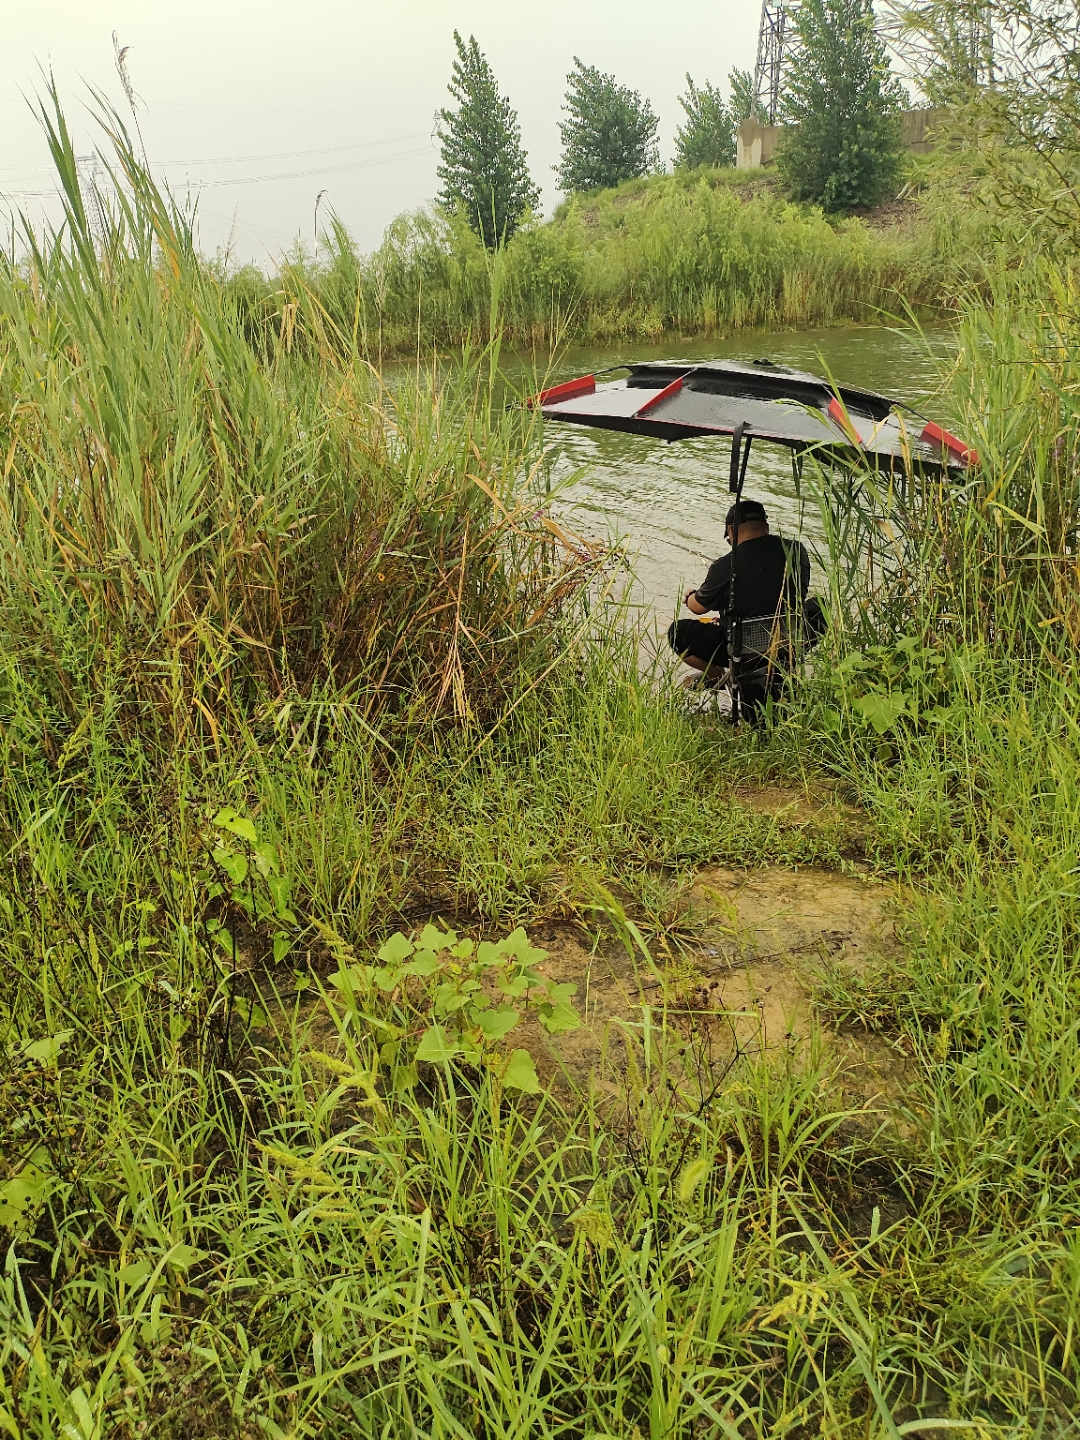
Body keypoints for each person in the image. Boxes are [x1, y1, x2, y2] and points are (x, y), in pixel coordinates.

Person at [668, 498, 812, 684]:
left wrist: (690, 597)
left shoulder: (726, 565)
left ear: (731, 530)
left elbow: (698, 608)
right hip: (788, 639)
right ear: (765, 525)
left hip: (740, 647)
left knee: (677, 633)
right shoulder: (797, 550)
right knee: (820, 606)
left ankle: (716, 677)